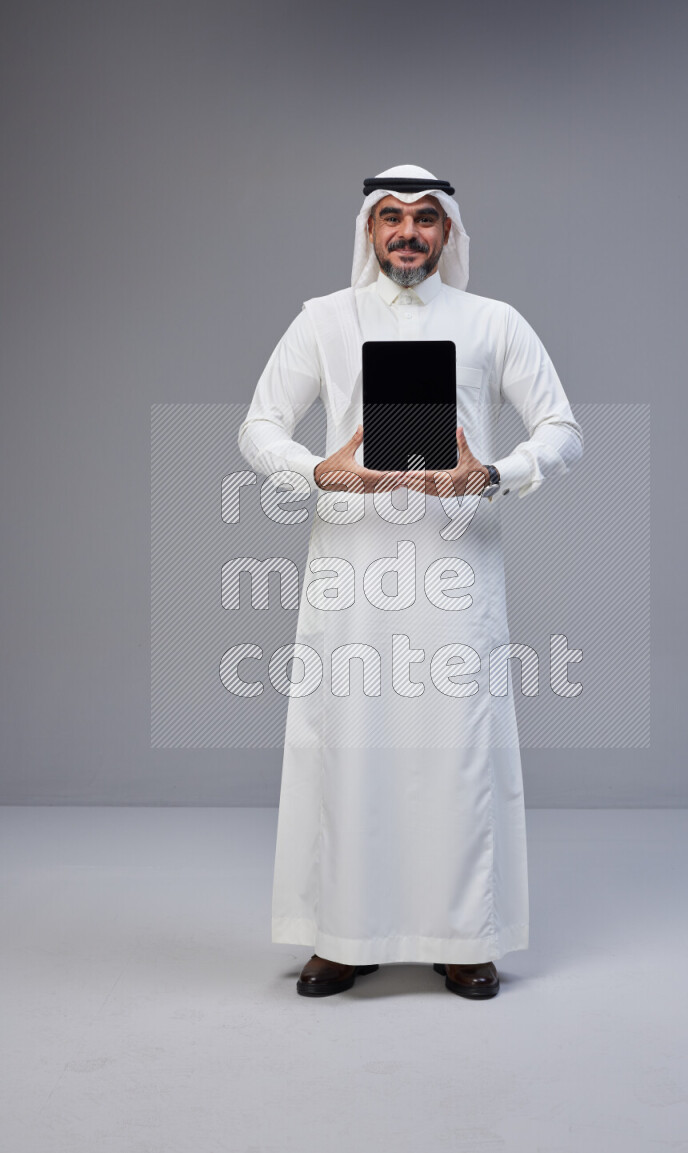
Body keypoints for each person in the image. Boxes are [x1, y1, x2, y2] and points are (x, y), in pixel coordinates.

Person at [238, 164, 583, 1000]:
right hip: (351, 573)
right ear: (368, 229)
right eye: (390, 217)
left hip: (456, 569)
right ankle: (343, 936)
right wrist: (319, 472)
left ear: (449, 232)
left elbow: (563, 430)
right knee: (350, 747)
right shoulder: (324, 320)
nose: (407, 233)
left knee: (456, 753)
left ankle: (463, 936)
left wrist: (492, 472)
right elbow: (257, 428)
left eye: (425, 219)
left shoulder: (492, 322)